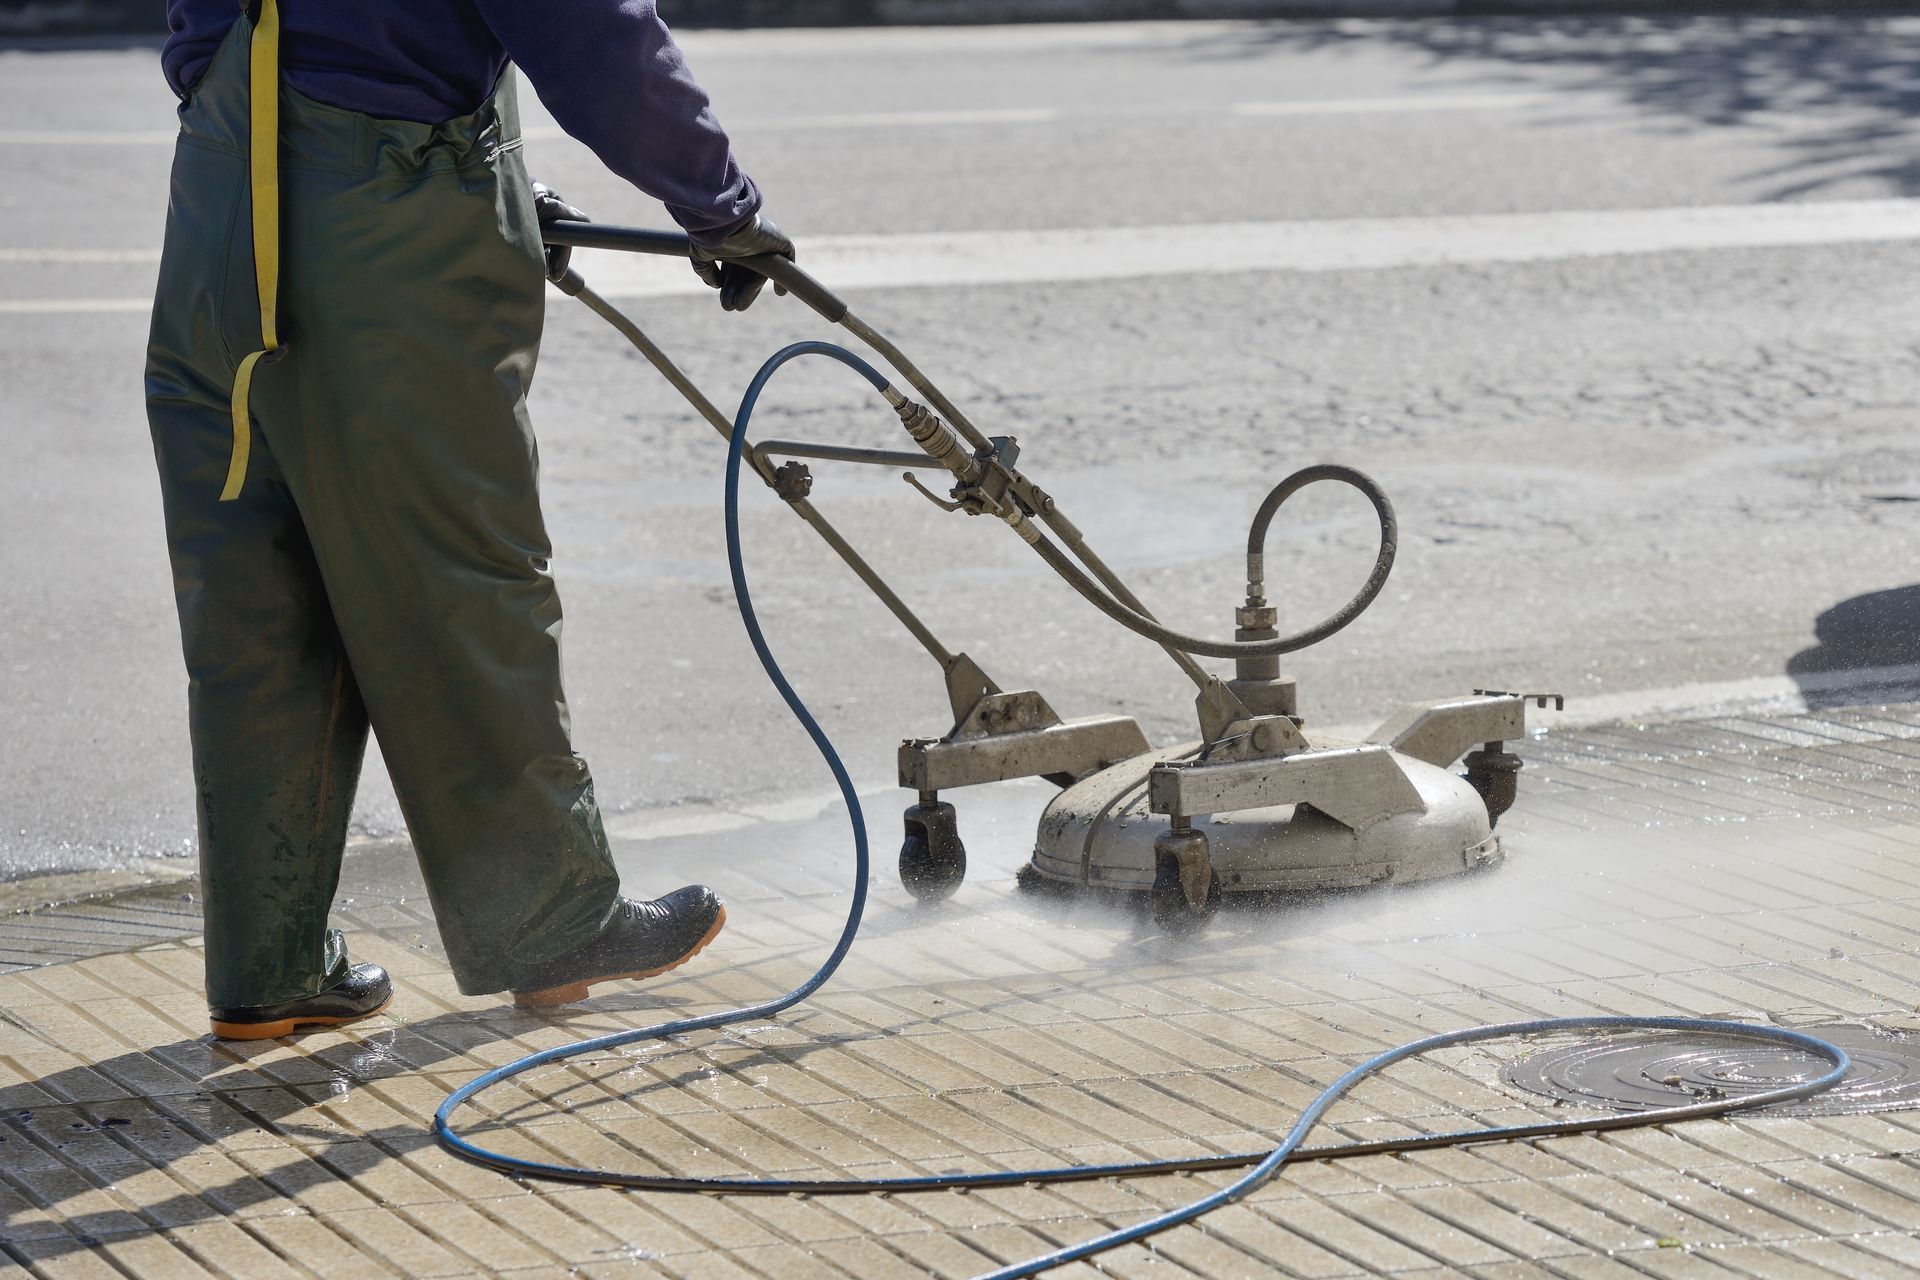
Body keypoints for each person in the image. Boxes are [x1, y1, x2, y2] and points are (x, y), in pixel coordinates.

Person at [148, 0, 794, 1039]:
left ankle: (270, 968)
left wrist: (323, 133)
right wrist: (716, 199)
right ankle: (552, 920)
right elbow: (589, 30)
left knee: (264, 595)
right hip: (379, 226)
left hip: (226, 197)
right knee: (464, 571)